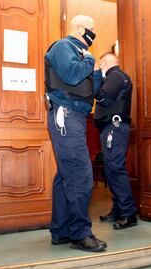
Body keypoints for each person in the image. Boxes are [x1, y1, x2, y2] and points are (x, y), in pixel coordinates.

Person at [44, 15, 107, 252]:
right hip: (65, 114)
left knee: (65, 175)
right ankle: (80, 233)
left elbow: (89, 90)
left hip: (77, 116)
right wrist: (90, 61)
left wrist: (98, 72)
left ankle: (60, 231)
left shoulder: (82, 54)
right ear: (79, 28)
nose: (94, 34)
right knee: (80, 172)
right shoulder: (64, 46)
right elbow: (71, 74)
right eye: (91, 29)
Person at [94, 52, 138, 230]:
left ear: (104, 63)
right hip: (111, 127)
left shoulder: (116, 76)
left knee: (115, 168)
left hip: (115, 126)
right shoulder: (116, 77)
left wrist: (97, 78)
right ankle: (119, 209)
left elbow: (102, 97)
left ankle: (128, 213)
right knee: (111, 168)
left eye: (100, 66)